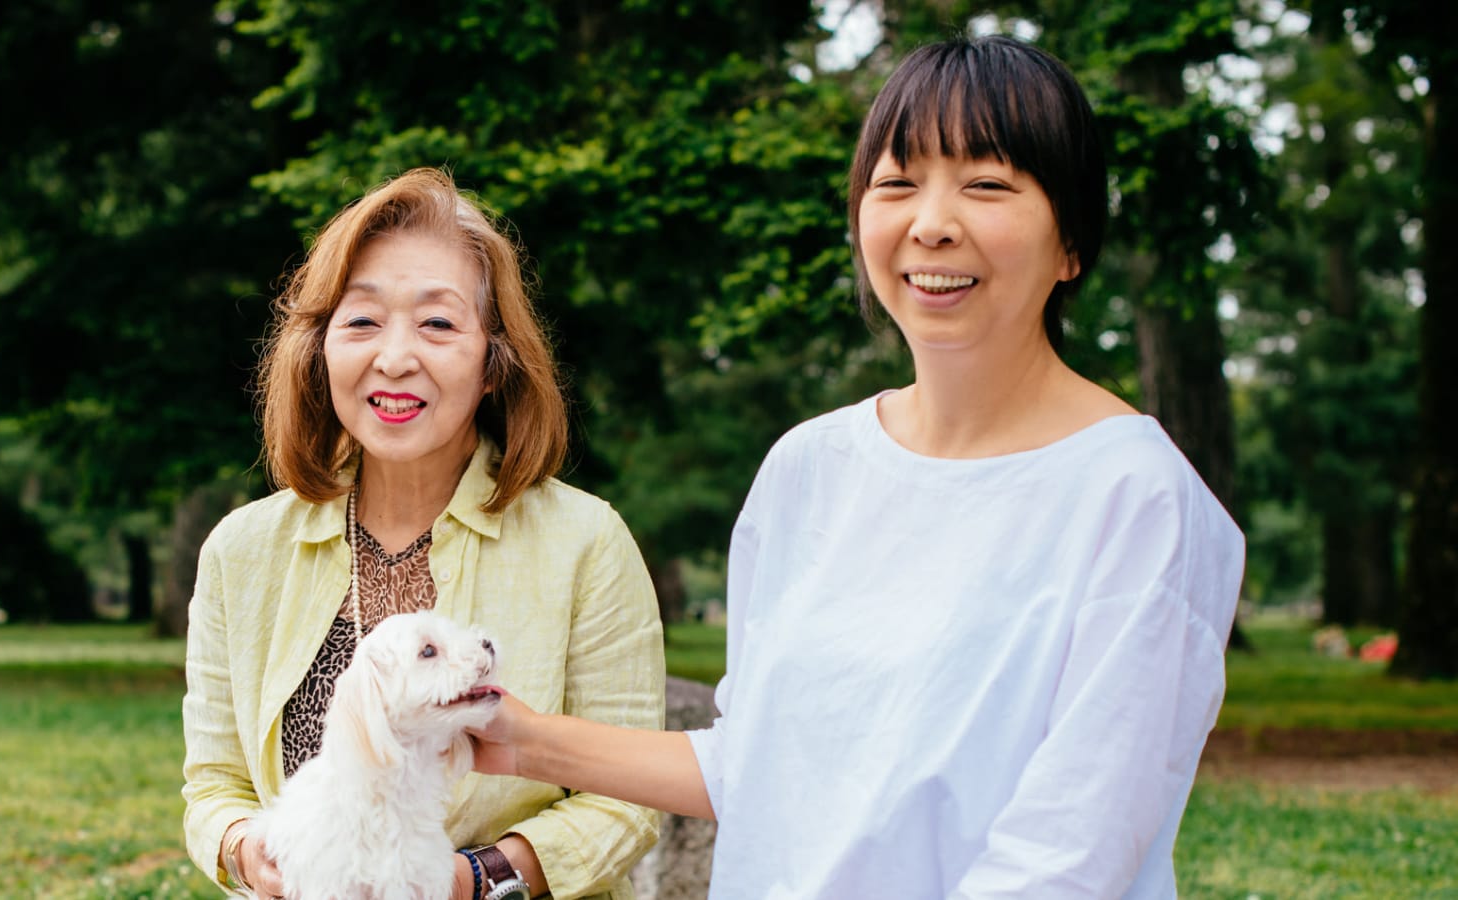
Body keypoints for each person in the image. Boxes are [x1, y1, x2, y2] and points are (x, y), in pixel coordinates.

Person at [467, 35, 1245, 899]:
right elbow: (760, 764)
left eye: (987, 184)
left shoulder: (1137, 495)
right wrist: (522, 738)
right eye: (898, 183)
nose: (932, 221)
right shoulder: (811, 467)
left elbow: (1067, 858)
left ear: (1072, 244)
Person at [182, 168, 665, 900]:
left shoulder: (586, 541)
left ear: (494, 363)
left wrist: (471, 881)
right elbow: (214, 785)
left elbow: (631, 796)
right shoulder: (241, 551)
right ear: (320, 350)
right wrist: (251, 850)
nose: (395, 356)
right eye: (362, 320)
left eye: (437, 323)